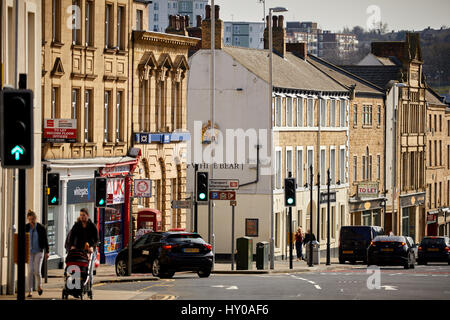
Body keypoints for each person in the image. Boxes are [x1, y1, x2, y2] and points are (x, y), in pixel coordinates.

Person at [67, 208, 99, 287]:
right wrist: (72, 246)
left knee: (89, 270)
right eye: (81, 215)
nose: (82, 217)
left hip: (90, 250)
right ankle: (76, 286)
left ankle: (89, 287)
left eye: (83, 215)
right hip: (79, 250)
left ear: (87, 216)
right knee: (77, 269)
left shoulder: (92, 226)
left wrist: (92, 246)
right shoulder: (77, 225)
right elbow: (72, 236)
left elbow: (97, 239)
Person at [25, 210, 49, 298]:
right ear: (28, 219)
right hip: (29, 252)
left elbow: (45, 240)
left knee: (37, 271)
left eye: (32, 219)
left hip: (39, 251)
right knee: (30, 271)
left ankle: (39, 286)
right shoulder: (26, 227)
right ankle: (30, 291)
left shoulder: (41, 227)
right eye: (29, 219)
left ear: (35, 218)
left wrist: (47, 252)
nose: (31, 221)